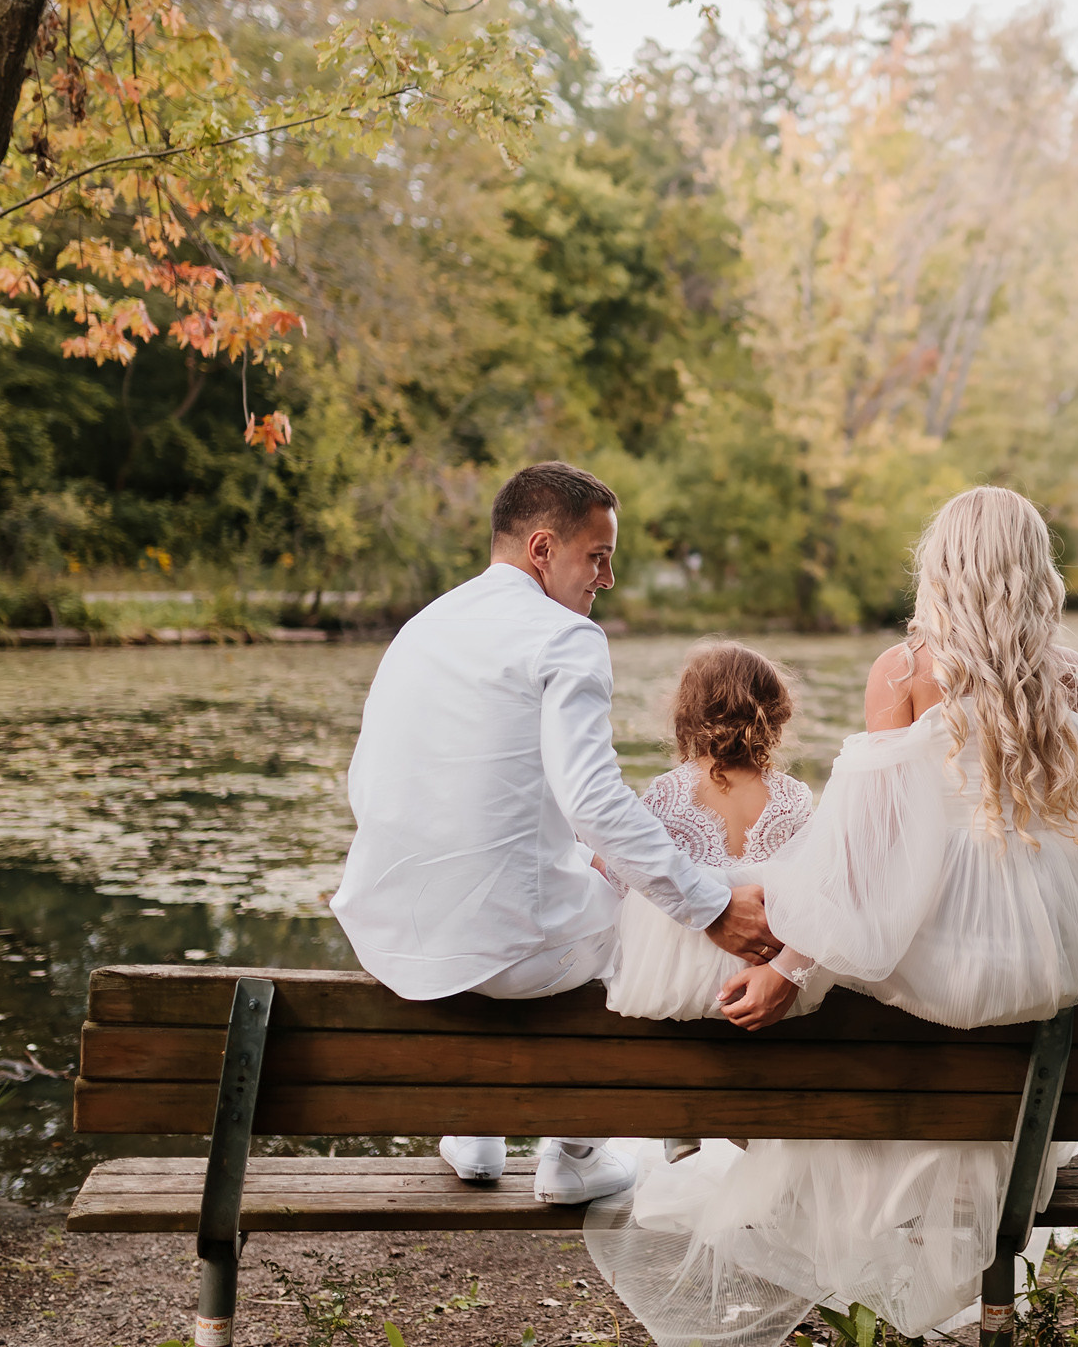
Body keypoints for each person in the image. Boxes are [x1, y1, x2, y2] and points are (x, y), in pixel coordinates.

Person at [585, 485, 1078, 1347]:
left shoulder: (903, 673)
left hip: (942, 973)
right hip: (1045, 955)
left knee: (826, 956)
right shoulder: (1069, 676)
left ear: (939, 566)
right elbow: (1076, 829)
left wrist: (789, 965)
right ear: (1036, 569)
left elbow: (868, 854)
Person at [331, 461, 780, 1203]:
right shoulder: (566, 637)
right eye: (597, 556)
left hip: (393, 935)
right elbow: (593, 800)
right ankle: (573, 1150)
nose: (605, 578)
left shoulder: (423, 625)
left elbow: (367, 779)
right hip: (497, 948)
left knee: (573, 874)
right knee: (644, 912)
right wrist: (706, 904)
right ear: (543, 548)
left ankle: (475, 1126)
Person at [606, 640, 829, 1162]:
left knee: (644, 911)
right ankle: (745, 1115)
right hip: (763, 970)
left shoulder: (666, 790)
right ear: (773, 715)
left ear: (687, 714)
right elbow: (816, 880)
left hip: (677, 973)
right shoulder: (793, 796)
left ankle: (684, 1114)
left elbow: (630, 878)